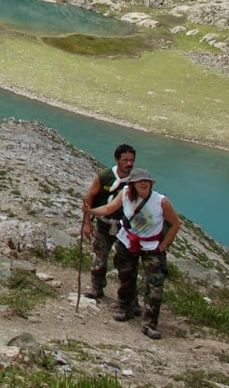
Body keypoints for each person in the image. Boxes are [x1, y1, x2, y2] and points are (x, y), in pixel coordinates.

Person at [90, 167, 180, 340]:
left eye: (147, 181)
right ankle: (125, 309)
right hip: (128, 242)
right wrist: (91, 211)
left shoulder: (161, 201)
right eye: (140, 181)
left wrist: (164, 245)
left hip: (152, 247)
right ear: (133, 184)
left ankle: (150, 323)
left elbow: (175, 224)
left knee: (155, 285)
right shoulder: (125, 194)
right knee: (126, 277)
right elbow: (109, 209)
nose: (144, 183)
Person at [81, 143, 138, 299]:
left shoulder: (137, 180)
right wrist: (87, 222)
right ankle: (97, 287)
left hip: (126, 228)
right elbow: (89, 198)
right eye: (125, 160)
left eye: (131, 160)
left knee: (126, 263)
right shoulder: (105, 177)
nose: (129, 164)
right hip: (104, 223)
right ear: (116, 160)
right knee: (100, 256)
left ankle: (129, 298)